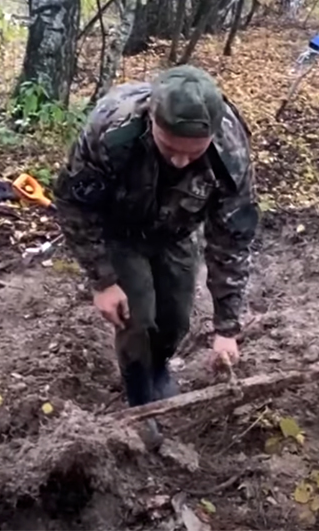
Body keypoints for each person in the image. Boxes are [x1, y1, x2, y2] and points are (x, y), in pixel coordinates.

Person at [53, 65, 259, 450]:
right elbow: (73, 202)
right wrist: (103, 280)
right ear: (152, 121)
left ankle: (160, 365)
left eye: (192, 153)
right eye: (170, 149)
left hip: (177, 230)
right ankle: (139, 400)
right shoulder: (112, 131)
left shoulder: (230, 151)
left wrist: (227, 328)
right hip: (120, 230)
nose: (180, 162)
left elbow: (232, 238)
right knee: (136, 318)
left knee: (175, 318)